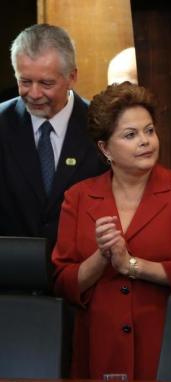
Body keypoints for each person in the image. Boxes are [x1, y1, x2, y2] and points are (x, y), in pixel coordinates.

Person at [51, 81, 171, 380]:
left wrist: (131, 265)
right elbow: (63, 281)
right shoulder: (79, 197)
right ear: (105, 148)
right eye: (131, 134)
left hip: (170, 345)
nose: (146, 141)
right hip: (99, 349)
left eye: (149, 131)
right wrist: (102, 258)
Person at [0, 23, 107, 248]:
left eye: (46, 83)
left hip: (82, 270)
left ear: (72, 76)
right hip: (11, 272)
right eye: (25, 81)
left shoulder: (101, 124)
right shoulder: (3, 122)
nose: (34, 94)